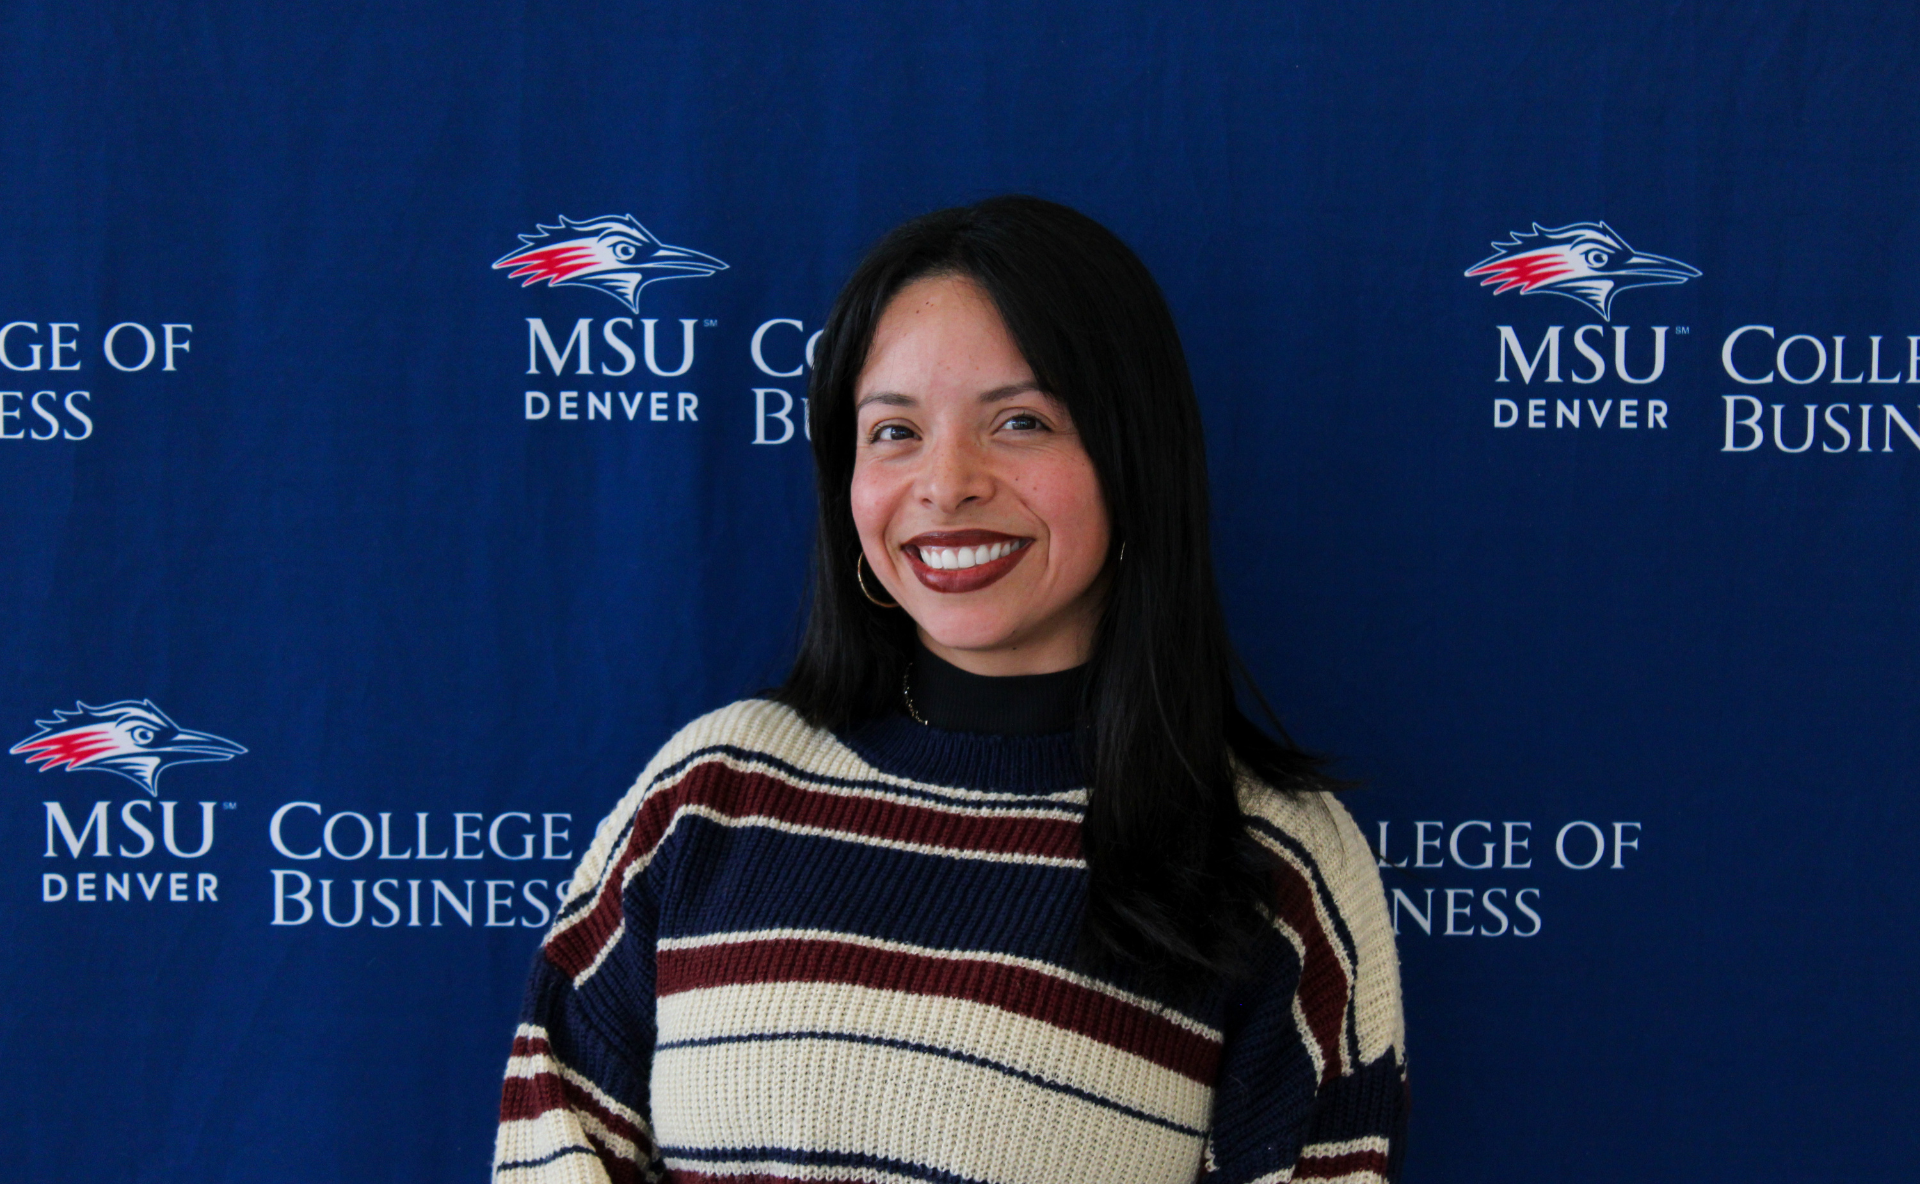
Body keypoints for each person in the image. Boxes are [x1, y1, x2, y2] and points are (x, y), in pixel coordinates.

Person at [491, 196, 1406, 1184]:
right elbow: (557, 1141)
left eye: (1019, 420)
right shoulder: (709, 790)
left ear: (1133, 458)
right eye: (893, 431)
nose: (946, 481)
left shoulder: (1274, 860)